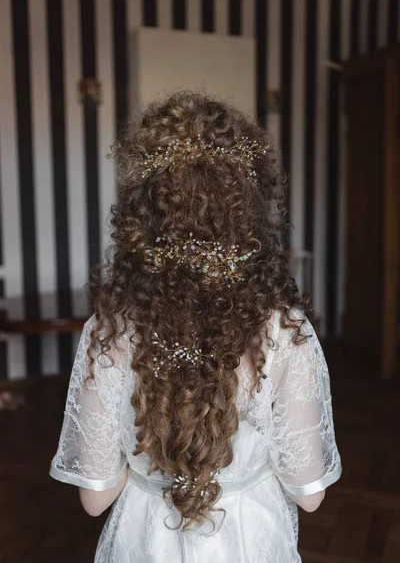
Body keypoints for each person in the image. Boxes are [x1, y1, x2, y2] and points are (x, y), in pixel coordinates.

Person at [50, 92, 341, 562]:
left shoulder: (111, 329)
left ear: (144, 215)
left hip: (146, 538)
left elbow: (94, 497)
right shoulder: (284, 330)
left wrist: (158, 467)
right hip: (249, 536)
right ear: (248, 213)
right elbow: (309, 493)